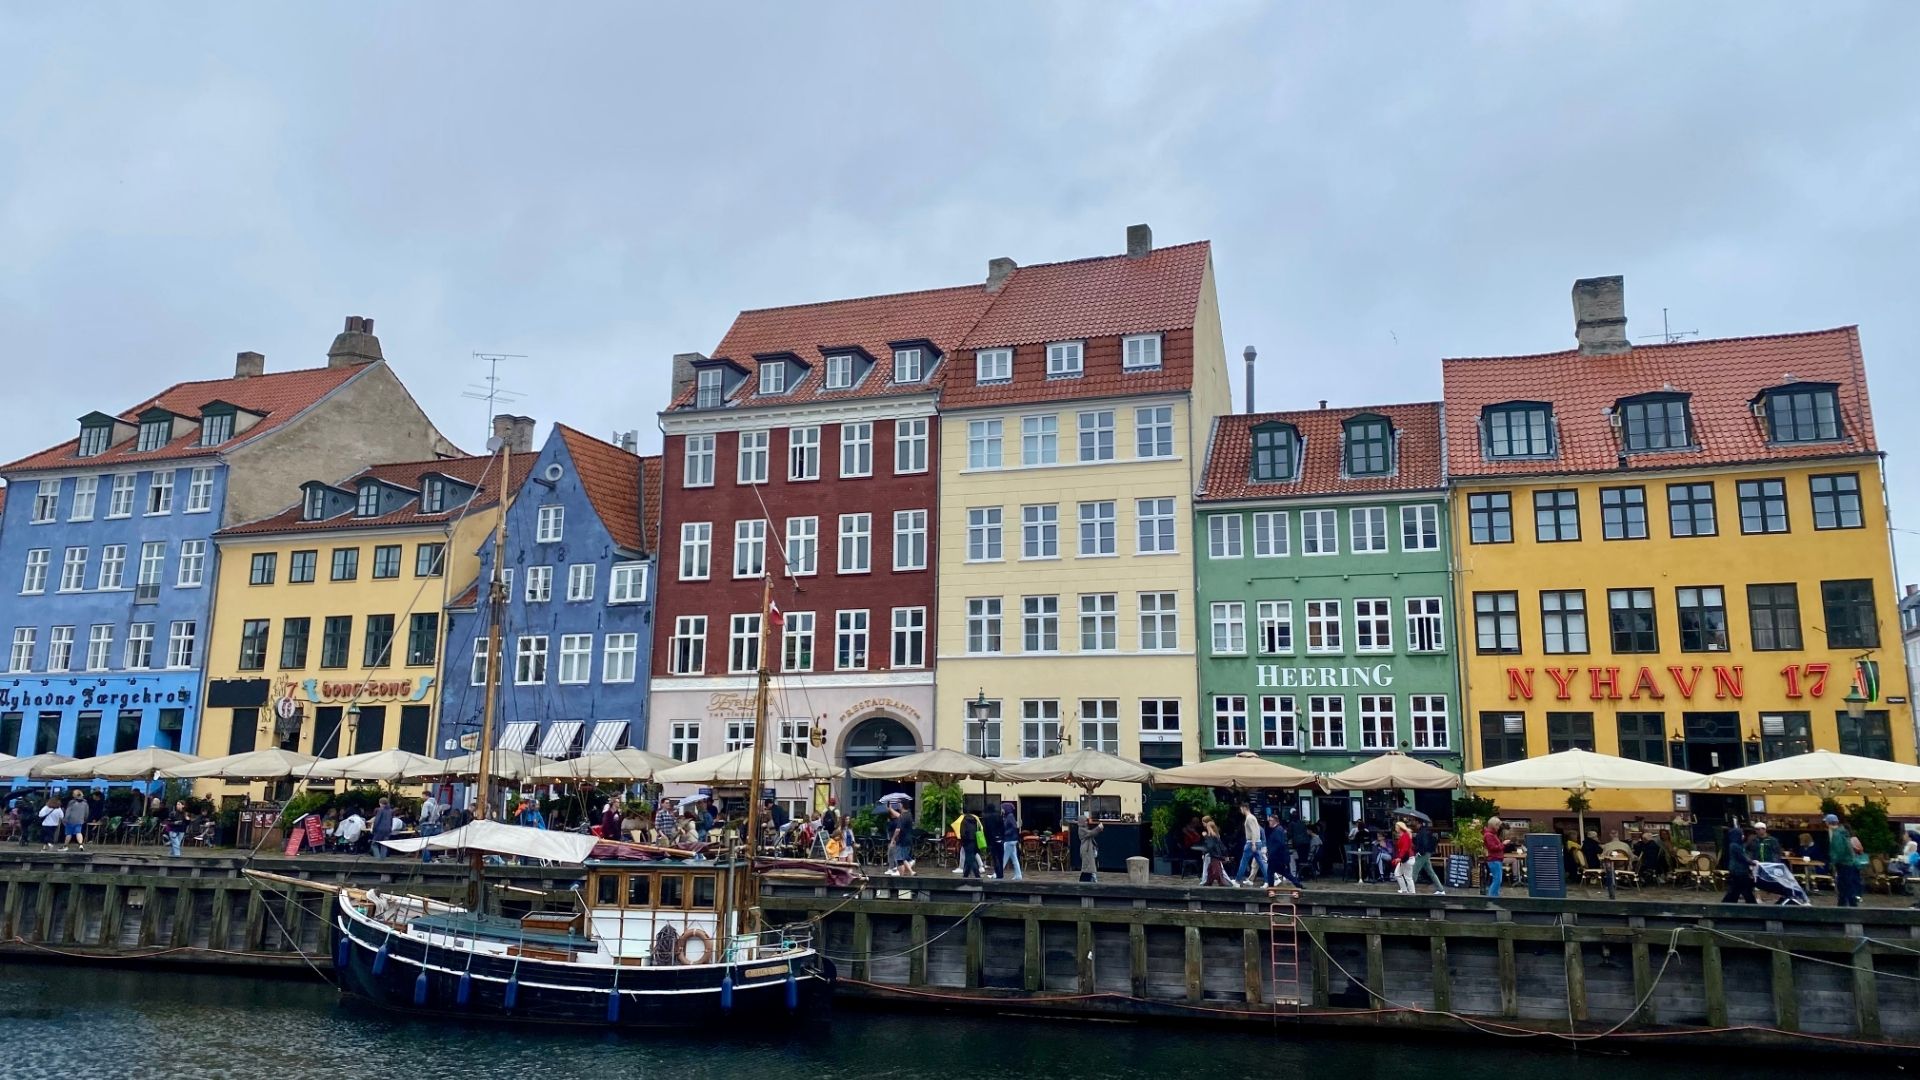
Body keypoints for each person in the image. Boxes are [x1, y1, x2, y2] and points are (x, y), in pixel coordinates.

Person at [1828, 813, 1865, 908]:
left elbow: (1839, 850)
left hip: (1843, 863)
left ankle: (1846, 906)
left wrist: (1833, 861)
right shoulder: (1843, 832)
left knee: (1844, 885)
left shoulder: (1836, 834)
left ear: (1828, 823)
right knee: (1847, 885)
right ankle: (1847, 904)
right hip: (1849, 862)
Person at [1266, 810, 1303, 888]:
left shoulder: (1278, 830)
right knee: (1283, 872)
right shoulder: (1278, 829)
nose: (1269, 822)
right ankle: (1297, 884)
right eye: (1269, 820)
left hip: (1276, 857)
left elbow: (1280, 844)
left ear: (1275, 821)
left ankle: (1271, 889)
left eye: (1270, 820)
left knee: (1270, 872)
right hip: (1278, 857)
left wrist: (1271, 854)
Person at [1720, 826, 1756, 903]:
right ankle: (1752, 904)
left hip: (1738, 870)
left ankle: (1728, 903)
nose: (1743, 836)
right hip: (1739, 870)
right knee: (1744, 889)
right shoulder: (1735, 846)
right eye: (1741, 834)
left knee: (1736, 889)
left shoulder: (1737, 845)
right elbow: (1743, 857)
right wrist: (1752, 862)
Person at [1235, 802, 1268, 887]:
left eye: (1241, 809)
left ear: (1244, 808)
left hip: (1251, 843)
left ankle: (1237, 881)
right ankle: (1268, 881)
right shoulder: (1252, 817)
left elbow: (1254, 831)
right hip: (1257, 842)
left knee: (1243, 862)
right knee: (1261, 863)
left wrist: (1253, 844)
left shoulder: (1249, 818)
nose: (1241, 811)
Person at [1412, 818, 1445, 894]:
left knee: (1414, 871)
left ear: (1418, 823)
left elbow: (1424, 844)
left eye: (1415, 822)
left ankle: (1409, 889)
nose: (1413, 823)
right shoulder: (1424, 831)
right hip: (1426, 853)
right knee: (1430, 872)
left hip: (1423, 853)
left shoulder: (1423, 832)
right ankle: (1440, 889)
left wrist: (1420, 852)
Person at [1200, 817, 1232, 886]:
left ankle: (1206, 881)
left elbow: (1209, 845)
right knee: (1210, 869)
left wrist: (1205, 836)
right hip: (1213, 854)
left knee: (1211, 868)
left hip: (1212, 854)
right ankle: (1207, 881)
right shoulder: (1215, 834)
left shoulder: (1212, 835)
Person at [885, 804, 916, 877]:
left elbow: (897, 830)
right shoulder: (908, 815)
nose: (898, 806)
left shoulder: (902, 817)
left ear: (902, 805)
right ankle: (911, 871)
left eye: (899, 804)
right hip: (907, 840)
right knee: (902, 857)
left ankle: (901, 876)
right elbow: (898, 815)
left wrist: (893, 839)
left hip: (902, 840)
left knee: (899, 859)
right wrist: (891, 809)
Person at [1391, 820, 1417, 894]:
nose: (1395, 828)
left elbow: (1405, 848)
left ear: (1400, 827)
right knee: (1398, 874)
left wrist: (1399, 857)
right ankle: (1404, 890)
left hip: (1407, 858)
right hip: (1405, 858)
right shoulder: (1404, 835)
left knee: (1407, 876)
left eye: (1396, 826)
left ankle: (1412, 892)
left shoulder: (1405, 836)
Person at [1482, 817, 1506, 897]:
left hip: (1496, 859)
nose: (1499, 828)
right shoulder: (1489, 835)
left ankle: (1494, 896)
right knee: (1497, 880)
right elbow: (1493, 848)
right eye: (1498, 826)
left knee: (1497, 879)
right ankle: (1492, 897)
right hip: (1494, 859)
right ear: (1493, 825)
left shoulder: (1491, 834)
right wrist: (1503, 844)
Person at [999, 804, 1024, 881]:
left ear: (1006, 809)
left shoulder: (1009, 817)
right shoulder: (1008, 816)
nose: (1001, 810)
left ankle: (998, 874)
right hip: (1012, 840)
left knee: (1003, 858)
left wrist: (1004, 833)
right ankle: (1018, 875)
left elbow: (1013, 827)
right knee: (1014, 859)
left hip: (1009, 840)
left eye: (1002, 808)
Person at [959, 808, 984, 880]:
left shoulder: (964, 821)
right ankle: (966, 874)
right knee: (969, 857)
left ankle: (977, 874)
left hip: (967, 841)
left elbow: (962, 833)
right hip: (975, 841)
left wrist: (963, 841)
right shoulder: (975, 821)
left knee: (971, 858)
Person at [1079, 818, 1104, 883]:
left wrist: (1098, 829)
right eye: (1085, 821)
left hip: (1089, 850)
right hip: (1086, 850)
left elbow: (1092, 833)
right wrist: (1098, 827)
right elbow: (1091, 833)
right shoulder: (1081, 829)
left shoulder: (1085, 829)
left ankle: (1088, 881)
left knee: (1089, 867)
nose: (1086, 823)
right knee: (1087, 867)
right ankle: (1084, 882)